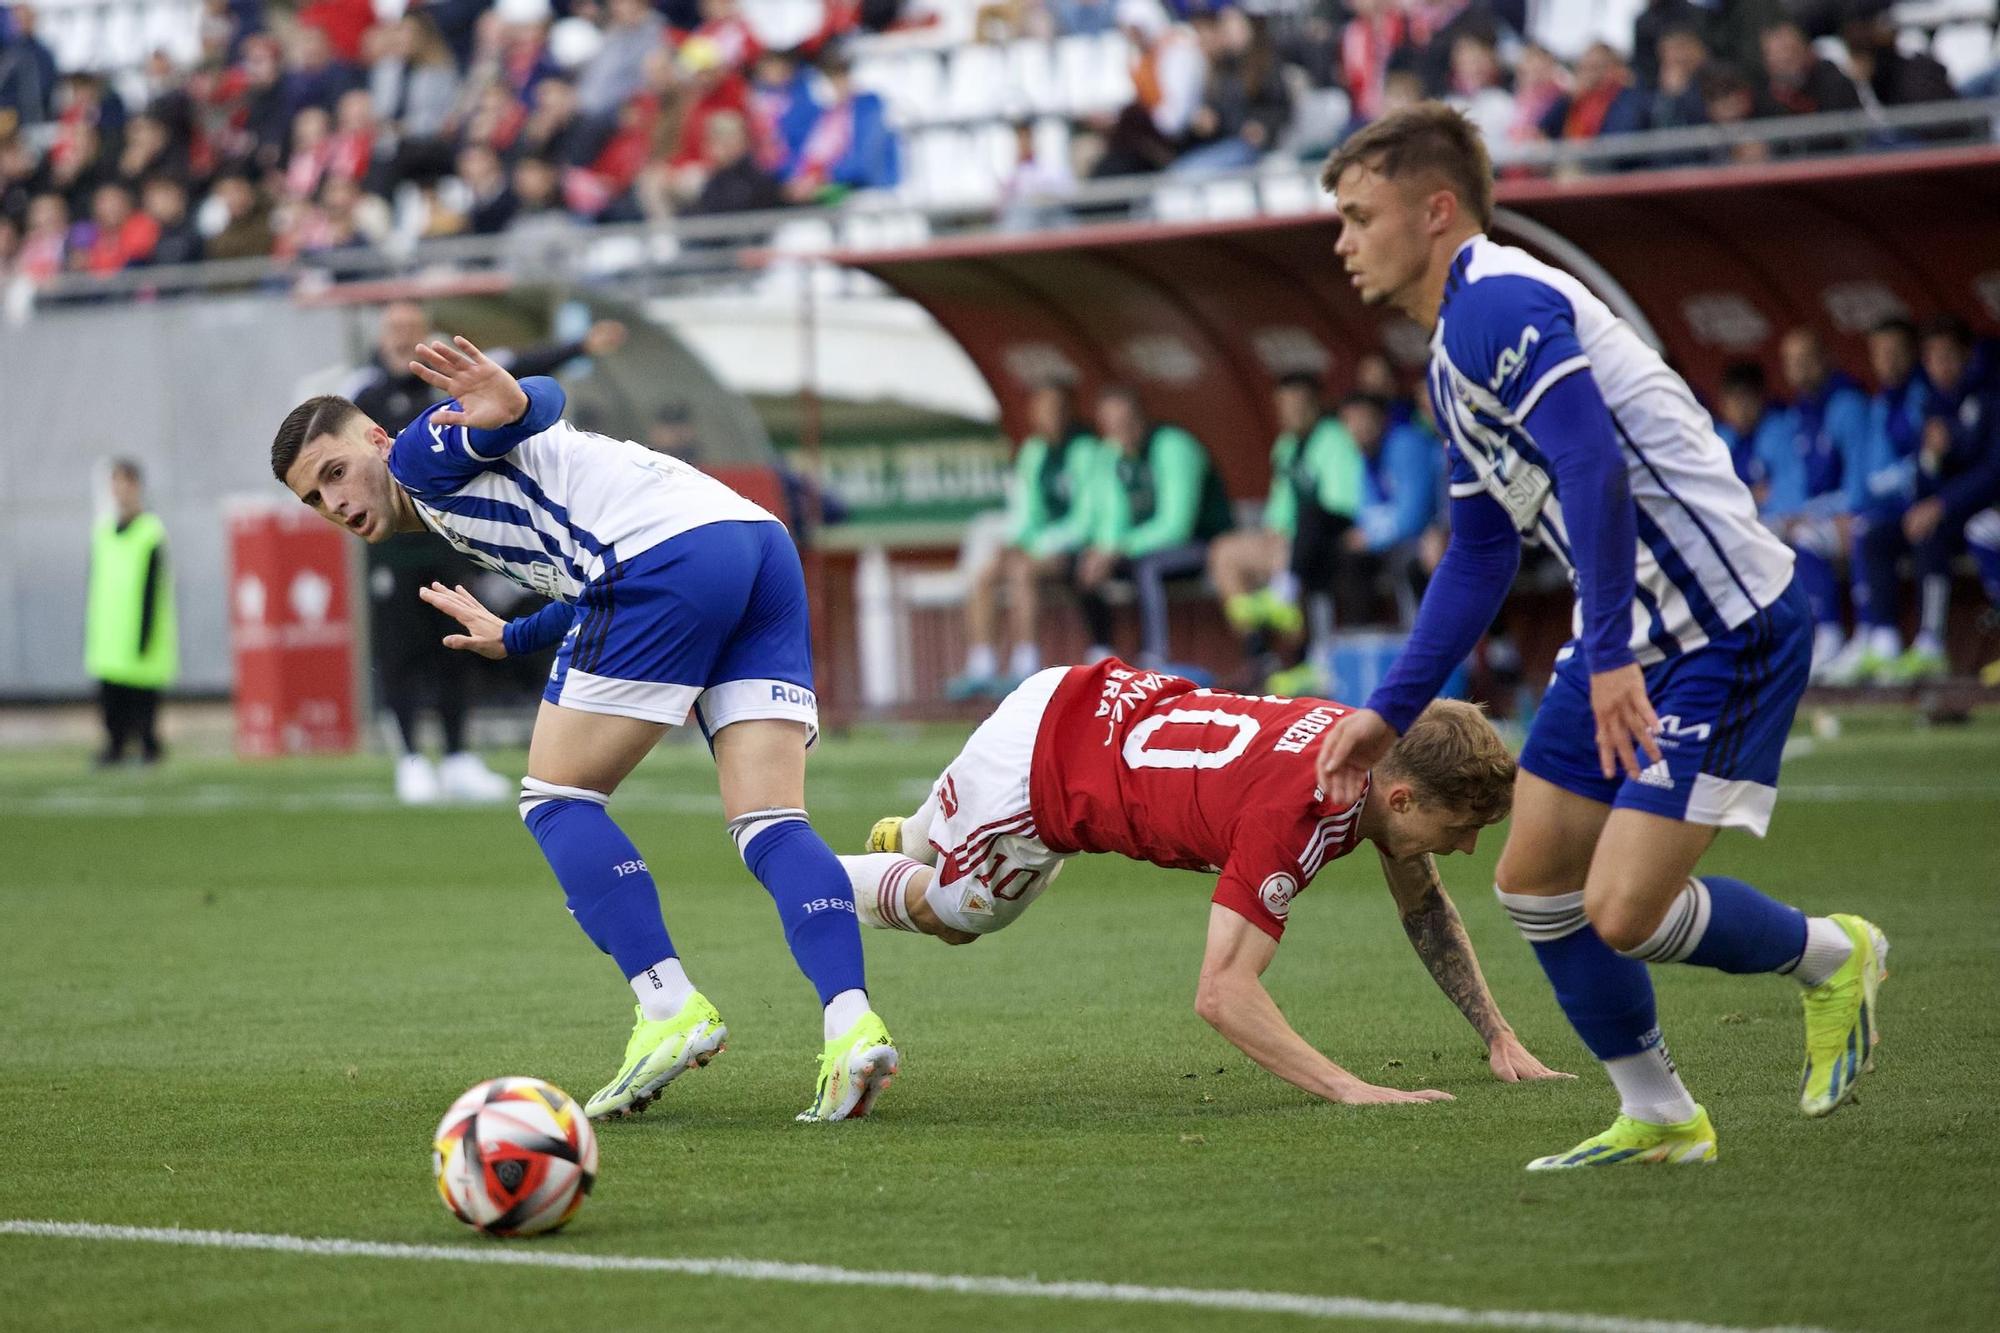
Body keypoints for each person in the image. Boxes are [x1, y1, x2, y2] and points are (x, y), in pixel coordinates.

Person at [1314, 104, 1888, 1170]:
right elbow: (1479, 553)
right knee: (1533, 883)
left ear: (1435, 211)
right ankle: (1660, 1116)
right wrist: (1383, 713)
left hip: (1723, 626)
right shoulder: (1449, 358)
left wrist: (1614, 649)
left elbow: (1594, 468)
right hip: (1622, 632)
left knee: (1621, 908)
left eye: (1357, 216)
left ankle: (1830, 956)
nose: (1341, 241)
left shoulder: (1500, 302)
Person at [270, 335, 898, 1124]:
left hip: (664, 561)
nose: (335, 503)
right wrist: (512, 637)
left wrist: (514, 399)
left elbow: (533, 410)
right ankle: (852, 1028)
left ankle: (669, 1005)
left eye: (334, 473)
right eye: (313, 499)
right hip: (755, 546)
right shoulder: (449, 487)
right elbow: (590, 580)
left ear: (374, 438)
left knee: (556, 799)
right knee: (769, 822)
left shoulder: (419, 456)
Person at [849, 658, 1569, 1104]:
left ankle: (917, 835)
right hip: (1036, 778)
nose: (1468, 848)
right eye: (1459, 829)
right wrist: (1351, 1088)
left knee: (948, 855)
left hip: (1078, 695)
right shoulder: (1306, 812)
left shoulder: (1369, 743)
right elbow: (1223, 993)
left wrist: (1498, 1035)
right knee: (960, 915)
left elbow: (1424, 901)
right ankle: (809, 875)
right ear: (1403, 799)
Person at [342, 300, 627, 805]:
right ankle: (410, 758)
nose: (403, 336)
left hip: (451, 541)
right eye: (395, 328)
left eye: (412, 327)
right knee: (399, 653)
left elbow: (518, 372)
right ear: (382, 335)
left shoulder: (446, 380)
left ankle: (455, 756)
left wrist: (580, 345)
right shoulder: (363, 396)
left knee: (457, 646)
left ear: (426, 331)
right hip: (392, 557)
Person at [1847, 316, 2000, 683]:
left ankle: (1931, 644)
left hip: (1977, 508)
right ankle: (1883, 640)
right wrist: (1932, 459)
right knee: (1876, 532)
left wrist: (1941, 504)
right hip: (1950, 511)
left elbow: (1993, 473)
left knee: (1948, 530)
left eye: (1949, 357)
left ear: (1967, 357)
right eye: (1932, 359)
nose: (1941, 367)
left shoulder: (1989, 398)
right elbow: (1924, 477)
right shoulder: (1934, 403)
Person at [946, 380, 1105, 701]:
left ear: (1069, 412)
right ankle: (982, 665)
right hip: (1040, 543)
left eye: (1057, 409)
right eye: (1044, 409)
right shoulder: (1034, 452)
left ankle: (1026, 663)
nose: (1051, 416)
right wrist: (1016, 540)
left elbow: (1088, 515)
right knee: (987, 572)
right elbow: (1027, 510)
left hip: (1076, 546)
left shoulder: (1086, 450)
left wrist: (1041, 543)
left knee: (1022, 571)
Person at [1209, 372, 1359, 688]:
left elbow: (1339, 504)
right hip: (1292, 538)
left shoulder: (1334, 437)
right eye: (1284, 406)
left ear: (1316, 405)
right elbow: (1279, 507)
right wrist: (1274, 531)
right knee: (1225, 551)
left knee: (1288, 553)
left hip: (1331, 536)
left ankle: (1300, 659)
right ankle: (1258, 652)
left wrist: (1286, 538)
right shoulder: (1286, 446)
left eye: (1299, 405)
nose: (1291, 413)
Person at [1073, 384, 1233, 669]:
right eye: (1110, 426)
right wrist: (1103, 551)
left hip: (1205, 544)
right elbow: (1114, 516)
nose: (1118, 432)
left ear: (1140, 416)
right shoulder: (1113, 455)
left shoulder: (1173, 446)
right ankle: (1101, 652)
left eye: (1125, 422)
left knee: (1148, 566)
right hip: (1144, 546)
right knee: (1085, 562)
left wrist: (1119, 549)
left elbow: (1177, 526)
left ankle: (1155, 658)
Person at [1757, 327, 1869, 675]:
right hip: (1815, 516)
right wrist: (1784, 511)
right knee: (1755, 536)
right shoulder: (1797, 415)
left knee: (1806, 535)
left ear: (1825, 360)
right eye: (1791, 362)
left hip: (1852, 516)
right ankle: (1768, 643)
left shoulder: (1847, 405)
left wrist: (1809, 513)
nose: (1799, 369)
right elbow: (1791, 485)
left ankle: (1829, 634)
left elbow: (1859, 483)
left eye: (1806, 360)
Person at [85, 460, 176, 766]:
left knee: (142, 702)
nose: (120, 491)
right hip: (109, 636)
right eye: (115, 484)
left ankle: (149, 745)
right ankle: (115, 747)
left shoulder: (150, 532)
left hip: (139, 634)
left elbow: (152, 588)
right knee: (112, 702)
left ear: (137, 486)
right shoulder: (102, 532)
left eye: (126, 483)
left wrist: (146, 633)